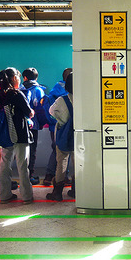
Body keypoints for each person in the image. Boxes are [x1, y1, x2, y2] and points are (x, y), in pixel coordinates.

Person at [0, 67, 35, 204]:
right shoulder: (17, 94)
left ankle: (4, 195)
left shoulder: (0, 95)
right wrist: (32, 113)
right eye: (17, 77)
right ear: (13, 79)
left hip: (6, 135)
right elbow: (29, 112)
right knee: (22, 165)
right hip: (20, 134)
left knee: (5, 165)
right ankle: (26, 196)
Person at [46, 72, 74, 201]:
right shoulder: (86, 100)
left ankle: (57, 193)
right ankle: (76, 190)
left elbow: (51, 111)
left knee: (61, 162)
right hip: (80, 136)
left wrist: (61, 120)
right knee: (79, 163)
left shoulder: (62, 100)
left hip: (64, 134)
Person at [42, 68, 71, 186]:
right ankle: (60, 177)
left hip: (55, 127)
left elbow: (51, 112)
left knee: (57, 150)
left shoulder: (55, 90)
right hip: (66, 127)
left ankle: (50, 176)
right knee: (64, 152)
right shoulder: (68, 94)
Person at [20, 67, 46, 185]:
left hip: (20, 125)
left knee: (21, 151)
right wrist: (40, 123)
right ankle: (30, 176)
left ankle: (22, 175)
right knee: (32, 150)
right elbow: (41, 110)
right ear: (36, 77)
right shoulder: (39, 90)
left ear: (24, 78)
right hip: (33, 125)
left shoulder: (19, 89)